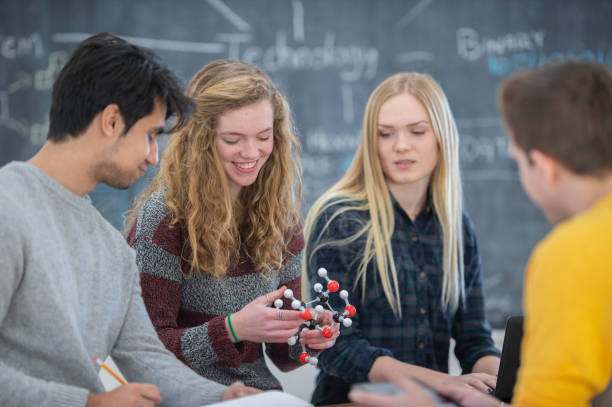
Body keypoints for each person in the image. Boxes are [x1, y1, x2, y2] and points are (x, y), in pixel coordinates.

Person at [0, 33, 258, 407]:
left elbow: (146, 358)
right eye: (151, 135)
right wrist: (89, 403)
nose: (154, 156)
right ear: (111, 121)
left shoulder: (111, 247)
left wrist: (221, 396)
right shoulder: (8, 208)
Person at [349, 60, 612, 407]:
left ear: (544, 167)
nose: (401, 145)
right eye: (386, 133)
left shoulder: (570, 256)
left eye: (517, 162)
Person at [125, 59, 338, 391]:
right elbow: (144, 354)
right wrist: (233, 329)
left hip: (259, 395)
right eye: (233, 139)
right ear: (201, 139)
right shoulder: (164, 220)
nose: (251, 152)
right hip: (185, 396)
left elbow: (283, 355)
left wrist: (308, 336)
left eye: (263, 137)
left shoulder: (281, 220)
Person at [302, 72, 500, 405]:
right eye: (385, 134)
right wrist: (448, 382)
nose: (401, 145)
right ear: (371, 142)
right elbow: (339, 346)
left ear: (441, 137)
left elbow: (474, 340)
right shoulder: (339, 220)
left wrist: (500, 381)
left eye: (417, 131)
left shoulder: (457, 228)